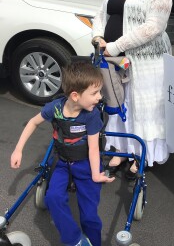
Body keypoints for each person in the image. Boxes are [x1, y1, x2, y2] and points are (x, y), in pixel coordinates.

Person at [92, 0, 172, 179]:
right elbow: (101, 14)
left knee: (143, 107)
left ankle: (142, 153)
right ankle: (121, 149)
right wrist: (97, 37)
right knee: (118, 104)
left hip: (146, 62)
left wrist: (115, 45)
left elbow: (153, 26)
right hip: (113, 59)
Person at [11, 61, 114, 246]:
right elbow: (33, 122)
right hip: (62, 163)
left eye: (99, 92)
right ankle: (74, 239)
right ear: (75, 95)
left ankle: (93, 242)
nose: (99, 97)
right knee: (53, 198)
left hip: (85, 165)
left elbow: (93, 148)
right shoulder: (55, 108)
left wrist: (96, 174)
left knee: (89, 215)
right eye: (94, 93)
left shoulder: (91, 116)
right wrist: (18, 150)